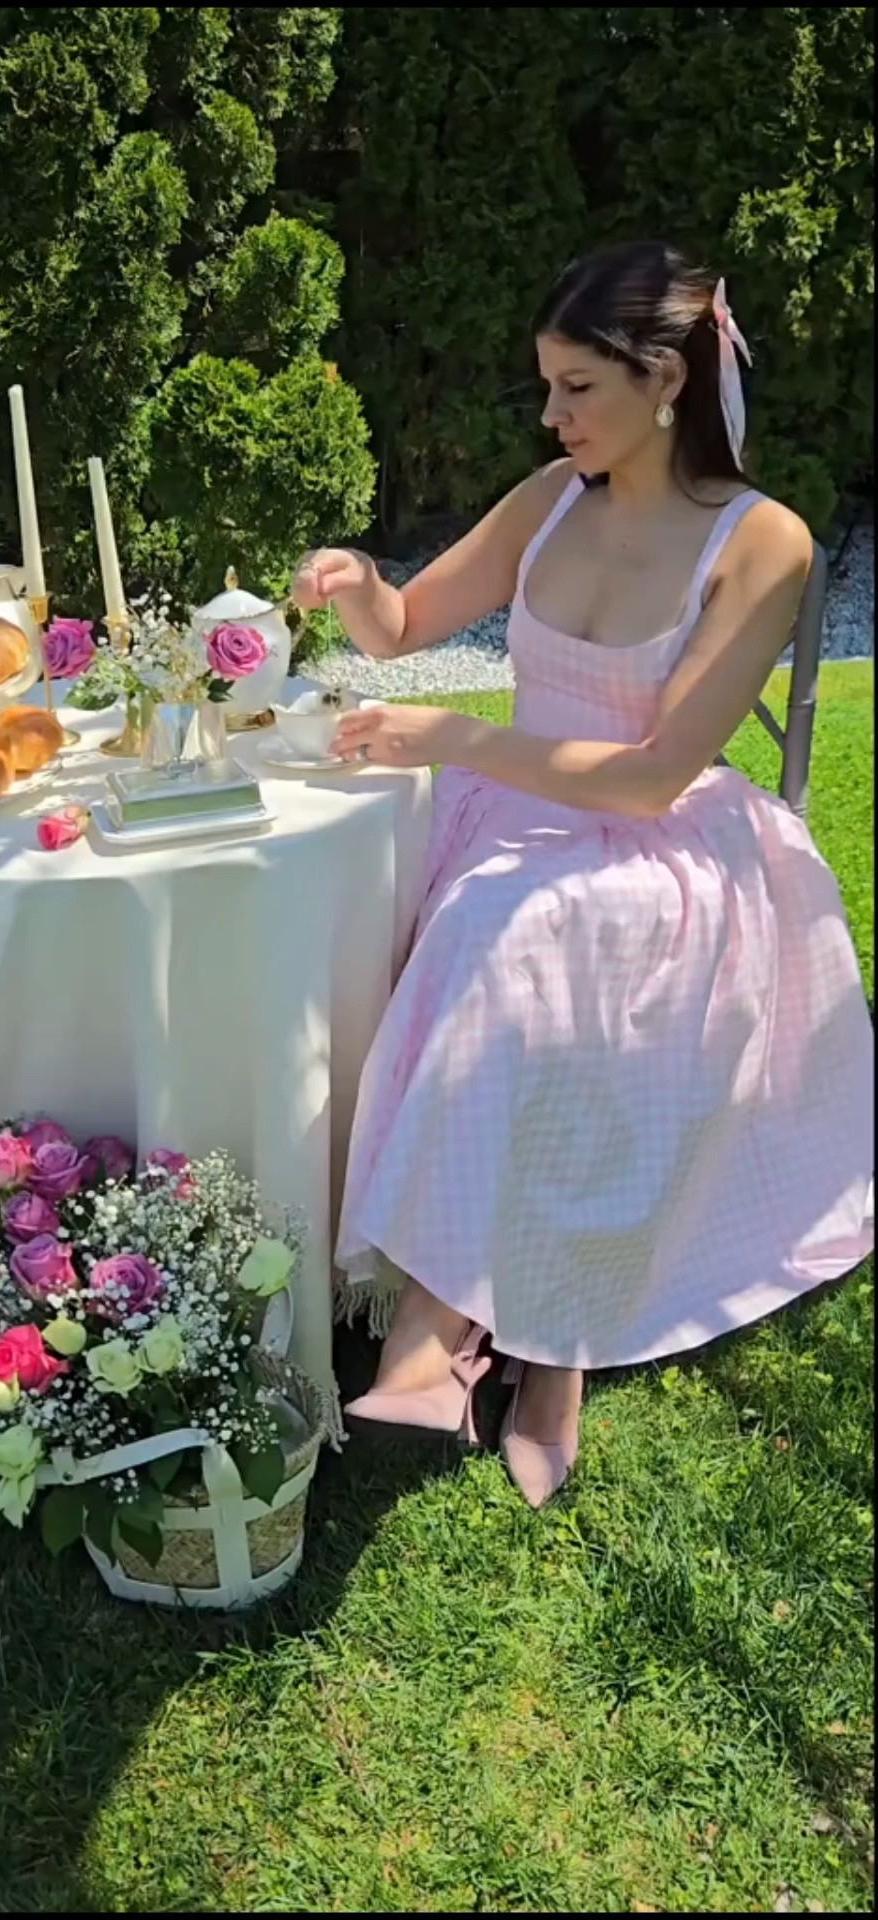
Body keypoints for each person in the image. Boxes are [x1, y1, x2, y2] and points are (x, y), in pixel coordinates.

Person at [292, 240, 874, 1507]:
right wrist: (354, 583)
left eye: (576, 388)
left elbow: (655, 777)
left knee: (516, 936)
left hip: (660, 845)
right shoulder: (552, 497)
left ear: (665, 379)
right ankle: (521, 1336)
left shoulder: (761, 541)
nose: (551, 417)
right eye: (548, 387)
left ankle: (456, 1337)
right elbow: (404, 627)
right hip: (519, 814)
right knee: (469, 920)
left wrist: (456, 739)